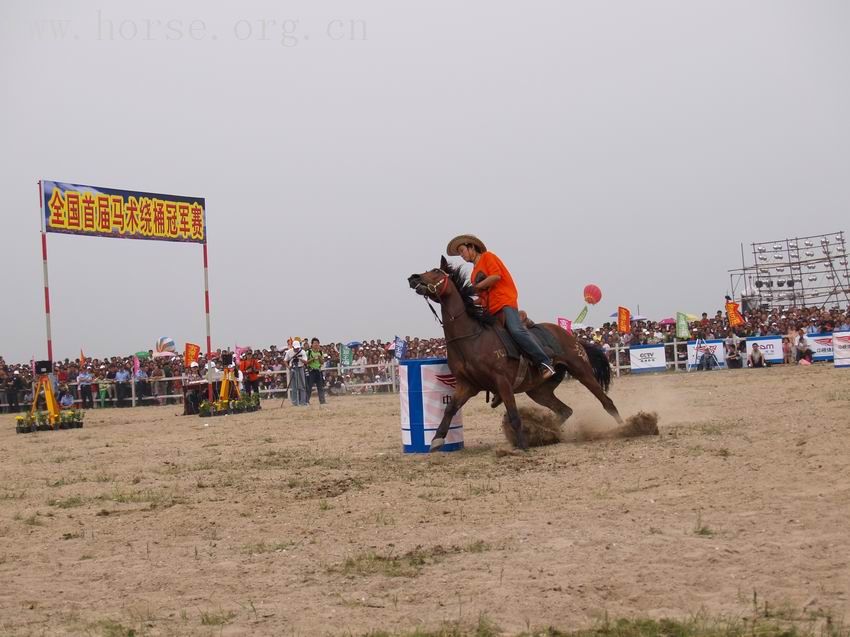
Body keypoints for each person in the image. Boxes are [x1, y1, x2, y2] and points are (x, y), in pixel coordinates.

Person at [447, 234, 555, 379]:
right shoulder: (473, 274)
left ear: (471, 247)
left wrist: (476, 287)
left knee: (516, 331)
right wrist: (469, 303)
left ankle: (545, 362)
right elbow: (483, 297)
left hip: (505, 302)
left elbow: (496, 276)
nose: (462, 255)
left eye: (462, 250)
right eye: (460, 253)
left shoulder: (488, 257)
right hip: (490, 310)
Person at [284, 340, 308, 405]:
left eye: (298, 348)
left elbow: (306, 362)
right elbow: (285, 360)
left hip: (300, 368)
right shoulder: (289, 352)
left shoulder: (302, 352)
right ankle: (295, 402)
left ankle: (303, 401)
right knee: (294, 386)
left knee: (302, 385)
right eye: (296, 348)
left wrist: (300, 359)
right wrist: (288, 367)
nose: (297, 349)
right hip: (293, 368)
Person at [306, 338, 327, 405]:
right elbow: (306, 362)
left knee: (320, 387)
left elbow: (322, 362)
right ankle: (306, 401)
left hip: (318, 371)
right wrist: (313, 359)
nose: (316, 344)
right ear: (311, 344)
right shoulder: (308, 352)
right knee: (309, 387)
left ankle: (322, 401)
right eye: (314, 343)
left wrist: (319, 357)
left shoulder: (320, 352)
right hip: (311, 371)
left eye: (317, 343)